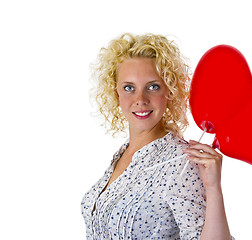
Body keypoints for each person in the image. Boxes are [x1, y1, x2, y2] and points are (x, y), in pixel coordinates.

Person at [81, 33, 234, 240]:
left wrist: (214, 189)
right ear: (116, 92)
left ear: (169, 91)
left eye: (153, 87)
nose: (140, 99)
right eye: (129, 88)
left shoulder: (180, 162)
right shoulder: (123, 154)